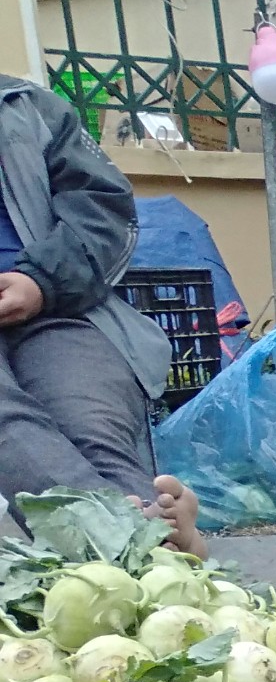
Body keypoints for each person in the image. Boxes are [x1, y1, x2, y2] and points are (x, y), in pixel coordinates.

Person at [0, 73, 195, 553]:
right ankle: (136, 546)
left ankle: (154, 535)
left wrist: (40, 282)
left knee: (89, 425)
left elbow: (104, 209)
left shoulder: (26, 107)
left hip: (56, 308)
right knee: (10, 424)